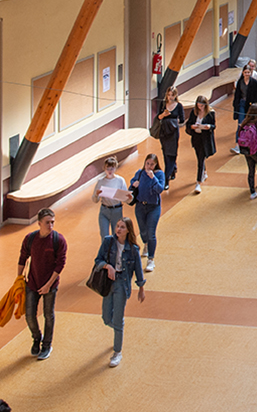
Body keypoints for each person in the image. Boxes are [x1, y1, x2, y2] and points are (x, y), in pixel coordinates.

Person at [93, 216, 146, 368]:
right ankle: (119, 331)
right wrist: (107, 266)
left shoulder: (133, 249)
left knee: (118, 318)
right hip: (109, 282)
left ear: (128, 230)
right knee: (105, 317)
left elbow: (138, 270)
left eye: (122, 227)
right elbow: (98, 260)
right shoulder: (108, 242)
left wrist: (141, 288)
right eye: (117, 226)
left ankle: (117, 351)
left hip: (122, 285)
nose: (118, 229)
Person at [17, 208, 67, 361]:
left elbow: (60, 265)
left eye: (52, 222)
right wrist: (18, 279)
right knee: (30, 316)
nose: (51, 225)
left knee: (48, 315)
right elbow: (22, 258)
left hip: (50, 285)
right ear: (39, 223)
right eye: (47, 223)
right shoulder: (30, 239)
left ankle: (46, 345)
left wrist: (48, 285)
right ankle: (37, 337)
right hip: (32, 282)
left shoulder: (58, 240)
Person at [129, 154, 164, 272]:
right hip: (140, 206)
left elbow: (160, 189)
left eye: (152, 164)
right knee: (143, 231)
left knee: (151, 232)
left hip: (153, 207)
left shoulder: (159, 174)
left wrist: (153, 177)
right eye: (147, 163)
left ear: (155, 165)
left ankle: (151, 259)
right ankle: (146, 243)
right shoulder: (140, 173)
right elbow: (131, 186)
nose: (149, 166)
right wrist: (133, 184)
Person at [92, 156, 130, 239]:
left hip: (116, 210)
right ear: (104, 168)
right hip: (104, 210)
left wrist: (128, 197)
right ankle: (106, 252)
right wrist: (96, 195)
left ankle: (114, 251)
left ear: (115, 168)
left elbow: (126, 198)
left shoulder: (120, 180)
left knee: (116, 235)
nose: (109, 171)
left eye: (112, 168)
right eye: (107, 168)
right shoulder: (101, 181)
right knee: (104, 235)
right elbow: (95, 200)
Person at [185, 95, 216, 195]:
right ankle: (204, 172)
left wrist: (208, 126)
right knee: (200, 157)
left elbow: (213, 125)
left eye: (202, 106)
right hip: (196, 138)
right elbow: (188, 124)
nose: (200, 108)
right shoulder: (194, 113)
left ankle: (198, 182)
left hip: (205, 139)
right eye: (199, 106)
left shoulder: (210, 113)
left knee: (200, 160)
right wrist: (192, 126)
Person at [154, 86, 184, 190]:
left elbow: (182, 119)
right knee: (166, 154)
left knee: (172, 154)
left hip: (173, 132)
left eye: (172, 95)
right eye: (168, 95)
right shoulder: (163, 104)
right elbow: (158, 117)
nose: (170, 97)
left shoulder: (179, 106)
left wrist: (175, 122)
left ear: (175, 95)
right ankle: (172, 169)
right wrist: (164, 114)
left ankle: (166, 178)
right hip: (164, 132)